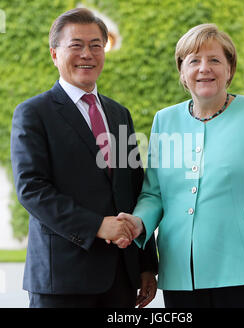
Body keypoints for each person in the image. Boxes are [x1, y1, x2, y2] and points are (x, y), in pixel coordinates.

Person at [114, 23, 244, 308]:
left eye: (214, 60)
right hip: (181, 274)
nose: (204, 68)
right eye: (194, 61)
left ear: (229, 69)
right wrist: (138, 223)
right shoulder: (166, 120)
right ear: (183, 72)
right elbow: (155, 194)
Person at [10, 8, 158, 308]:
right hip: (63, 278)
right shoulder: (34, 113)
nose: (87, 54)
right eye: (75, 45)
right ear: (54, 54)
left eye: (96, 45)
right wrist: (96, 226)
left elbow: (133, 188)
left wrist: (146, 265)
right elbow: (32, 189)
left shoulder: (119, 114)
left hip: (121, 277)